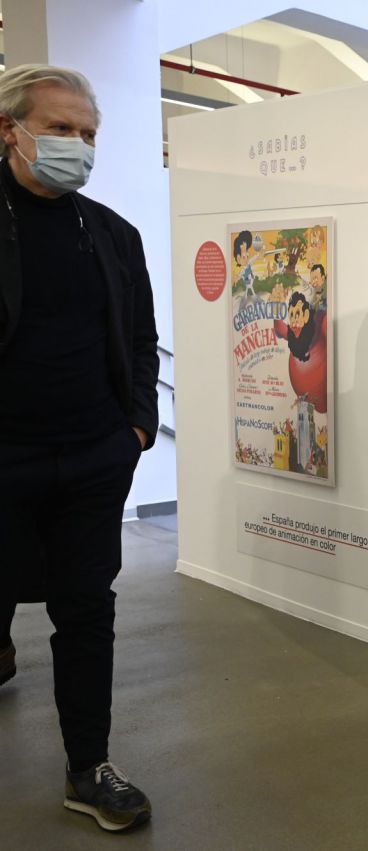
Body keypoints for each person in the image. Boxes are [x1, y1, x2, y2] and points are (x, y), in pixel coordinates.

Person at [0, 65, 159, 831]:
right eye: (60, 129)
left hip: (94, 457)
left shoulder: (112, 234)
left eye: (88, 133)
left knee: (88, 611)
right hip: (6, 458)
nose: (77, 145)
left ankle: (88, 766)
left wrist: (134, 431)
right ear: (10, 131)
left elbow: (141, 340)